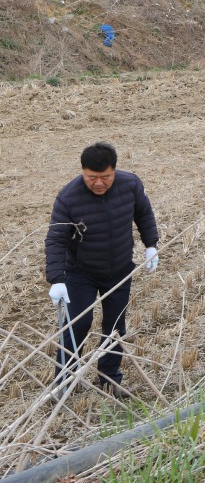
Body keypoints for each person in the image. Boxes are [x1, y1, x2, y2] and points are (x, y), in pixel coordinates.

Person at [45, 142, 159, 399]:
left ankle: (109, 379)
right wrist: (57, 279)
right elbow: (56, 239)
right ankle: (64, 382)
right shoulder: (68, 197)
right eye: (91, 178)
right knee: (77, 324)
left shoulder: (130, 185)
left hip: (119, 269)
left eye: (105, 177)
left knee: (115, 326)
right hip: (80, 272)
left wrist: (151, 244)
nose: (98, 183)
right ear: (83, 172)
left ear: (114, 171)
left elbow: (144, 213)